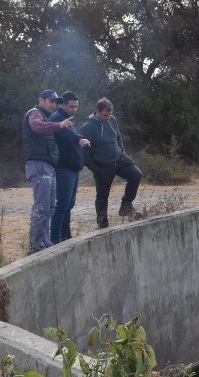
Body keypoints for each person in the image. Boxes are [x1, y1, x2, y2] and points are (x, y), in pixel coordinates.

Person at [22, 89, 74, 254]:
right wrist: (60, 125)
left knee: (50, 207)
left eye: (55, 102)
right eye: (50, 101)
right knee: (42, 207)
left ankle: (43, 241)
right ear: (41, 100)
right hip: (38, 164)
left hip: (48, 166)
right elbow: (37, 127)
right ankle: (36, 245)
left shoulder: (46, 117)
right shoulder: (35, 113)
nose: (53, 104)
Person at [80, 97, 142, 228]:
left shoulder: (112, 120)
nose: (107, 117)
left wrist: (124, 155)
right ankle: (102, 223)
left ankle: (126, 205)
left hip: (118, 158)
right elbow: (84, 151)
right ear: (97, 111)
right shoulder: (88, 127)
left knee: (136, 175)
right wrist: (94, 168)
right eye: (104, 115)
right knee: (102, 195)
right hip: (102, 165)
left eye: (109, 114)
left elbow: (118, 138)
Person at [49, 91, 91, 244]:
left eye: (76, 106)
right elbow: (67, 136)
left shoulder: (67, 119)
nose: (74, 109)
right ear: (63, 104)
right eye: (71, 106)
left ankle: (65, 236)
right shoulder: (57, 119)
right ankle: (54, 239)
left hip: (72, 168)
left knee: (69, 204)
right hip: (63, 168)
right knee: (62, 205)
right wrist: (80, 138)